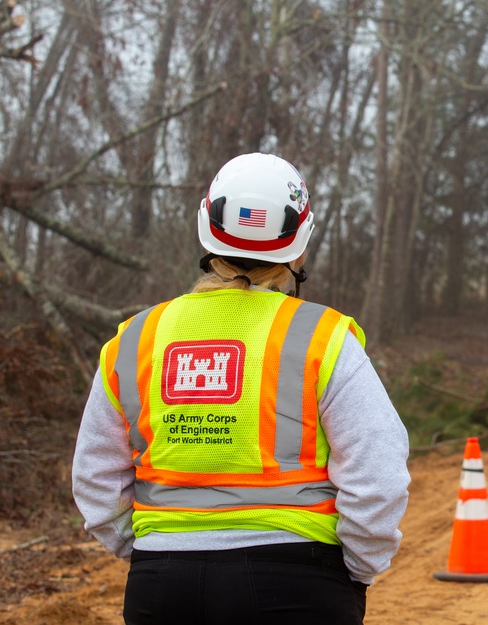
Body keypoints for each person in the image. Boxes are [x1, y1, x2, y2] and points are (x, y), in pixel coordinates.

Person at [72, 152, 410, 625]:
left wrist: (154, 552)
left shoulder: (135, 339)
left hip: (163, 584)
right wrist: (353, 570)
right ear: (300, 243)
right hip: (299, 583)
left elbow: (95, 478)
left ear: (205, 228)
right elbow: (379, 473)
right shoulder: (323, 337)